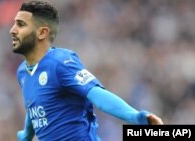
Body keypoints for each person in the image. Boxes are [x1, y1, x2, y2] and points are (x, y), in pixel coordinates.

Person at [9, 0, 163, 141]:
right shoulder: (23, 72)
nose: (12, 30)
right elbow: (35, 104)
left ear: (42, 32)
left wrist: (135, 117)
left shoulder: (60, 62)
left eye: (21, 25)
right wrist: (27, 134)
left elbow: (97, 95)